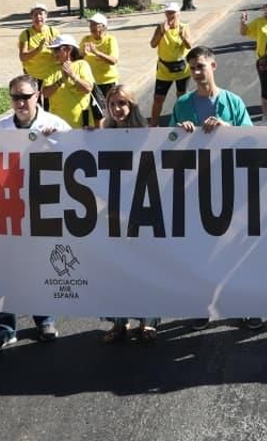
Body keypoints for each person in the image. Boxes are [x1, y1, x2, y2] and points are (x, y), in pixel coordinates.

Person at [0, 75, 68, 355]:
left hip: (43, 209)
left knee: (39, 266)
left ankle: (45, 319)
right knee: (5, 269)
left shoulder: (56, 125)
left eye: (26, 96)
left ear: (38, 95)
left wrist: (55, 143)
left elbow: (77, 159)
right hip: (9, 211)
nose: (21, 102)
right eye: (16, 97)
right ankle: (4, 329)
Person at [96, 86, 161, 342]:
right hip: (112, 212)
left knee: (145, 267)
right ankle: (118, 322)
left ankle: (148, 320)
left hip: (141, 210)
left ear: (132, 105)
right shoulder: (103, 135)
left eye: (122, 103)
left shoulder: (146, 134)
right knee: (115, 269)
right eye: (113, 104)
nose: (117, 109)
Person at [173, 46, 255, 130]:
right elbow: (169, 138)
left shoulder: (233, 102)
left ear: (213, 65)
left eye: (200, 66)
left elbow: (248, 136)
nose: (196, 72)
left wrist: (227, 128)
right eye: (192, 68)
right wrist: (179, 131)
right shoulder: (181, 104)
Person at [40, 35, 99, 127]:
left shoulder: (82, 65)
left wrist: (73, 76)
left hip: (81, 124)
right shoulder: (51, 69)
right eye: (53, 50)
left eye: (56, 50)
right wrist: (61, 80)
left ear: (68, 50)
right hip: (57, 126)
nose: (53, 53)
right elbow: (45, 93)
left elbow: (88, 88)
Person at [149, 4, 194, 126]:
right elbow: (153, 44)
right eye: (167, 13)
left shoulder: (184, 27)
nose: (169, 16)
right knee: (158, 98)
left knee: (182, 97)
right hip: (164, 69)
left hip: (181, 69)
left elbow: (189, 46)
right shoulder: (160, 28)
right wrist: (162, 32)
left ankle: (182, 122)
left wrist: (183, 37)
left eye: (172, 13)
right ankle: (153, 125)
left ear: (178, 14)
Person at [17, 4, 60, 82]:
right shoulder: (25, 34)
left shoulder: (54, 32)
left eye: (41, 14)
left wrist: (54, 49)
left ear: (46, 16)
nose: (38, 17)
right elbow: (22, 57)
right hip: (33, 77)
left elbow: (62, 56)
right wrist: (38, 49)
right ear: (31, 17)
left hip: (52, 76)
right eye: (35, 14)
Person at [79, 12, 119, 96]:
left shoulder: (110, 40)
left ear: (103, 27)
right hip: (91, 81)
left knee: (109, 107)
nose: (91, 27)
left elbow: (113, 61)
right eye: (90, 25)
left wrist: (96, 52)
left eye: (95, 25)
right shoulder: (86, 39)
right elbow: (77, 59)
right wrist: (83, 54)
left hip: (108, 81)